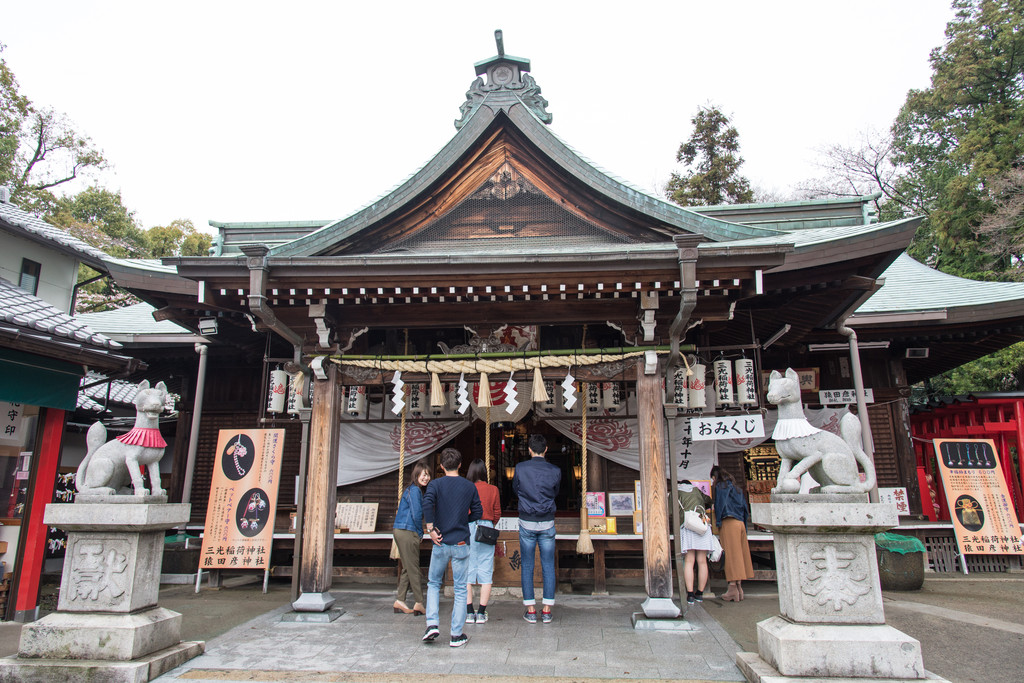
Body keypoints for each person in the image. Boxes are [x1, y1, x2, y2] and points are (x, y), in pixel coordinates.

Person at [421, 447, 482, 648]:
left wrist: (430, 528)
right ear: (460, 465)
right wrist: (464, 520)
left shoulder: (435, 485)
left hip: (440, 540)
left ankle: (432, 624)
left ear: (441, 466)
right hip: (461, 541)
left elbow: (427, 504)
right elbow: (478, 512)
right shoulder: (469, 486)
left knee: (433, 583)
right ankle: (456, 634)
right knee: (460, 588)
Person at [512, 433, 561, 624]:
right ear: (546, 449)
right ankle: (547, 610)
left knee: (527, 565)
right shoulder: (555, 470)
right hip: (547, 520)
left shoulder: (520, 468)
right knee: (548, 565)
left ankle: (531, 610)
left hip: (527, 520)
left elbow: (516, 489)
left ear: (530, 450)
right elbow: (556, 492)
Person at [464, 458, 501, 624]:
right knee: (486, 570)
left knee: (468, 570)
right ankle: (482, 612)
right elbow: (497, 513)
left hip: (469, 526)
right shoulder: (493, 489)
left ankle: (469, 611)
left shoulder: (466, 488)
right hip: (486, 528)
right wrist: (489, 524)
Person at [392, 461, 431, 615]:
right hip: (407, 530)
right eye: (424, 475)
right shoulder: (415, 491)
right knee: (414, 567)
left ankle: (400, 600)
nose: (426, 478)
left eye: (428, 475)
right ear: (417, 475)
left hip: (401, 529)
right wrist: (421, 532)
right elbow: (416, 514)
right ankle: (419, 602)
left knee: (408, 567)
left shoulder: (410, 489)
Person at [711, 466, 754, 601]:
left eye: (712, 478)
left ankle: (732, 588)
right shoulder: (737, 488)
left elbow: (720, 505)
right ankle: (739, 589)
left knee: (732, 555)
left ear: (715, 477)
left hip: (729, 522)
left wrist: (717, 521)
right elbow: (745, 508)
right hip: (740, 522)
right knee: (741, 554)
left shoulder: (721, 487)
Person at [677, 479, 714, 604]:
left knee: (689, 561)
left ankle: (690, 594)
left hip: (688, 527)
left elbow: (671, 510)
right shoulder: (696, 490)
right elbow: (708, 500)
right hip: (702, 525)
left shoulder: (676, 492)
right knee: (702, 561)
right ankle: (700, 593)